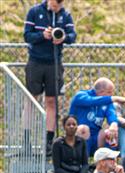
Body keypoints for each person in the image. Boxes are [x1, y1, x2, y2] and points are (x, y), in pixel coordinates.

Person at [24, 0, 77, 156]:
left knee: (51, 101)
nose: (57, 7)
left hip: (54, 63)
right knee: (31, 100)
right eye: (55, 4)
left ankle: (48, 141)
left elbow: (73, 36)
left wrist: (64, 37)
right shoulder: (34, 11)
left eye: (60, 4)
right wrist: (42, 35)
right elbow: (27, 35)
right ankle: (26, 140)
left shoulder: (65, 15)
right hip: (36, 61)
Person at [69, 77, 125, 156]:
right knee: (84, 129)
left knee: (110, 131)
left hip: (96, 137)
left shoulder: (107, 102)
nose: (111, 95)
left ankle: (108, 164)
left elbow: (111, 115)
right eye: (109, 92)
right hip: (77, 137)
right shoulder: (80, 96)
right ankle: (83, 164)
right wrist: (116, 98)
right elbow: (91, 101)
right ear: (101, 92)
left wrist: (113, 125)